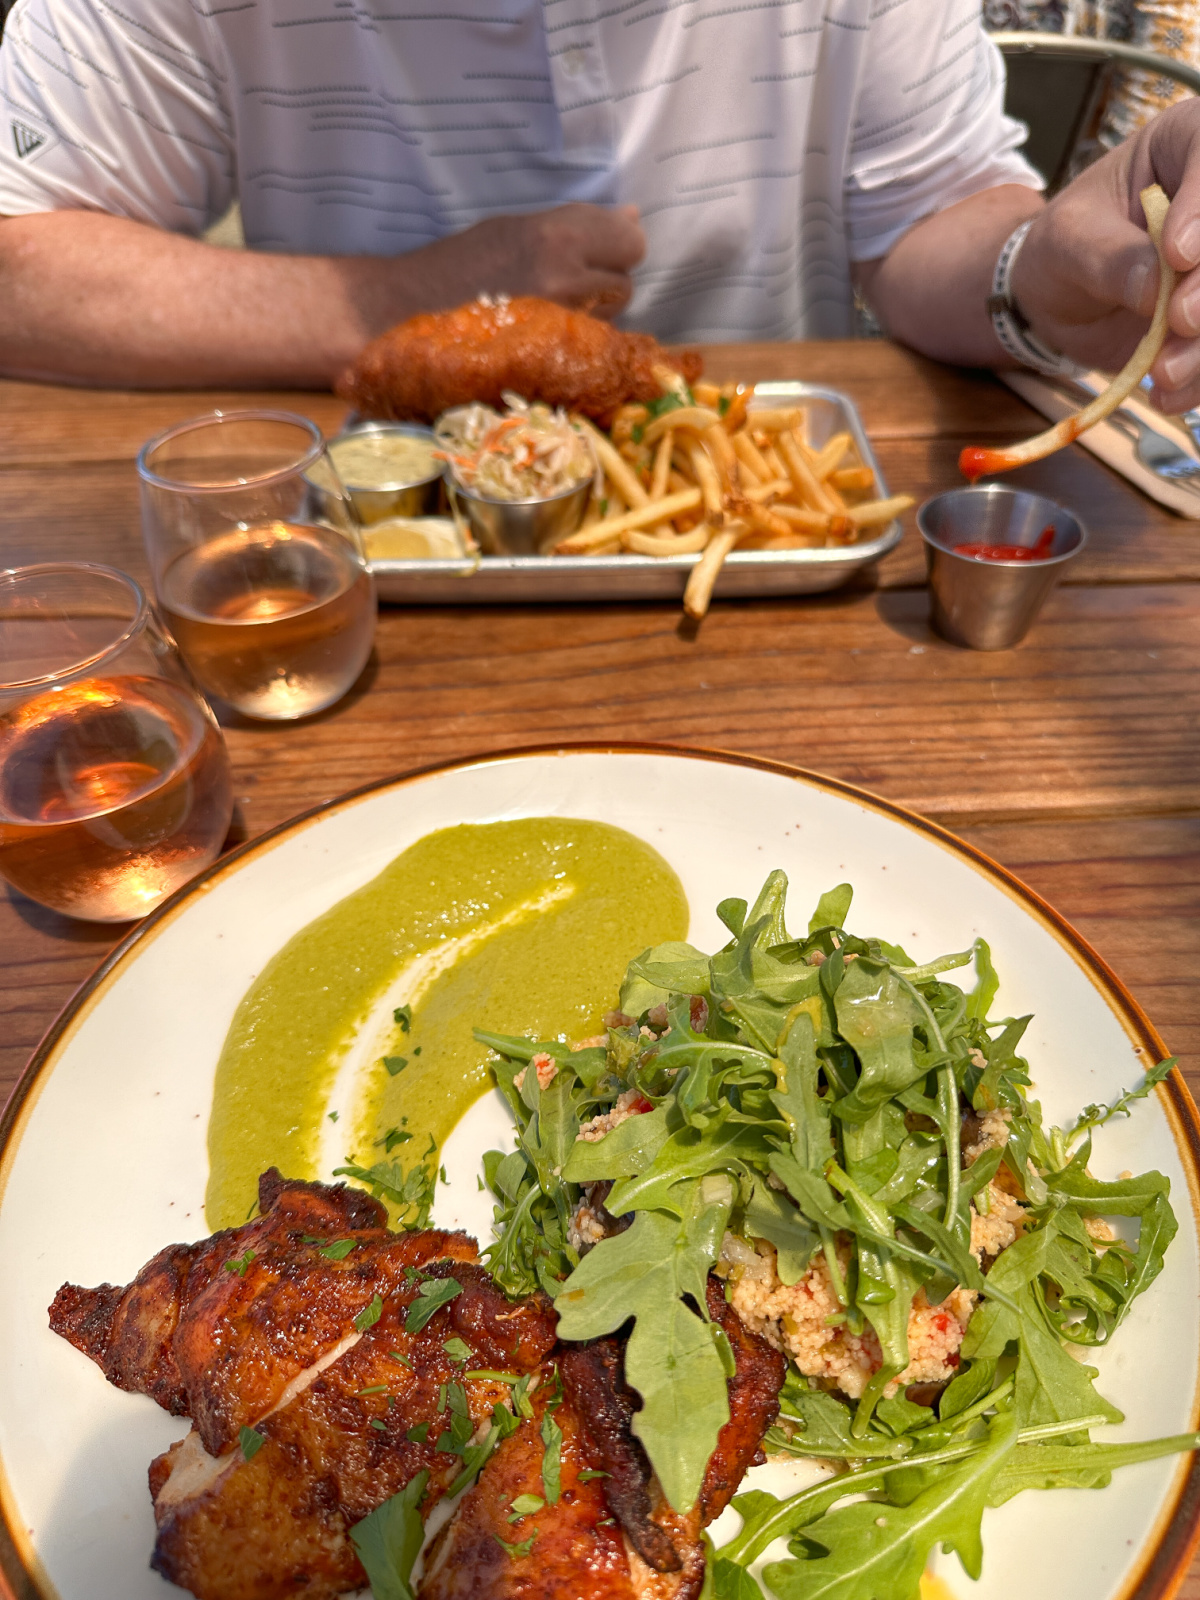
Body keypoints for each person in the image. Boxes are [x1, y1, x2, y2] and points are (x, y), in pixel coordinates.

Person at [0, 0, 1199, 411]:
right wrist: (402, 310)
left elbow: (929, 222)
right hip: (356, 562)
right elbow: (20, 261)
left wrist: (1040, 266)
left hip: (773, 582)